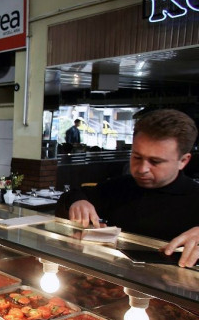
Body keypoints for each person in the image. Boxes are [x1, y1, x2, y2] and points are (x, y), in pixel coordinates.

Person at [56, 109, 199, 267]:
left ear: (183, 161)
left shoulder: (194, 197)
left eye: (155, 161)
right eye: (137, 157)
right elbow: (75, 195)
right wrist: (78, 201)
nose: (142, 168)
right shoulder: (121, 186)